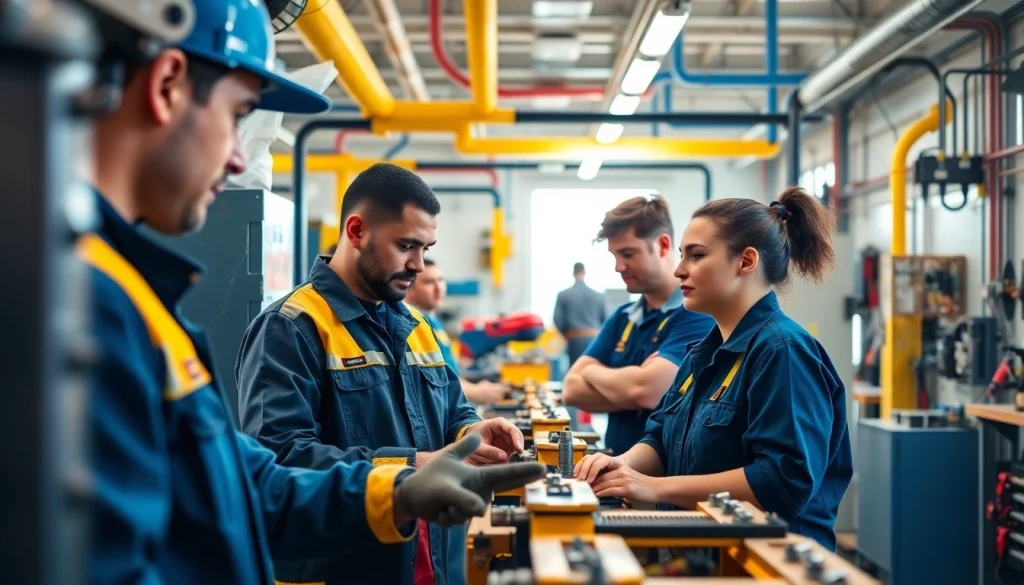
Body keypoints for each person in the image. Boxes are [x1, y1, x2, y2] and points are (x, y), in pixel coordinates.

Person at [81, 2, 545, 584]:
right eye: (239, 114)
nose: (238, 158)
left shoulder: (138, 298)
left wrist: (425, 469)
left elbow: (244, 481)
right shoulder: (86, 303)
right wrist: (409, 471)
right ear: (168, 83)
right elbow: (270, 462)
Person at [235, 163, 526, 585]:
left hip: (431, 565)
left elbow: (454, 412)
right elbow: (282, 460)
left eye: (425, 248)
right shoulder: (292, 327)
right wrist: (412, 469)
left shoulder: (418, 327)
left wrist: (474, 435)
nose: (419, 265)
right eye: (406, 245)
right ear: (356, 232)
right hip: (346, 568)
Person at [573, 188, 854, 551]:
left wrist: (654, 487)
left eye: (697, 255)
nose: (679, 269)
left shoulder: (783, 352)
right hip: (705, 555)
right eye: (681, 255)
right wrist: (618, 466)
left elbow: (781, 481)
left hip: (767, 565)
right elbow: (660, 438)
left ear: (746, 261)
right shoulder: (704, 352)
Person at [562, 196, 715, 456]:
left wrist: (594, 374)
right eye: (614, 255)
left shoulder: (698, 314)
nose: (618, 267)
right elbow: (571, 390)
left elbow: (647, 392)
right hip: (615, 471)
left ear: (663, 244)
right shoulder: (623, 317)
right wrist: (633, 385)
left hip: (664, 479)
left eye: (628, 254)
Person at [405, 258, 510, 405]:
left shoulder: (434, 323)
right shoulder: (411, 327)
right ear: (409, 290)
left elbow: (448, 372)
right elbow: (429, 381)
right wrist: (475, 391)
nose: (438, 288)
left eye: (441, 280)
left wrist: (476, 386)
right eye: (429, 282)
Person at [553, 262, 607, 365]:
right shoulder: (598, 296)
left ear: (573, 273)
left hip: (574, 339)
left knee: (575, 371)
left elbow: (557, 319)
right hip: (594, 339)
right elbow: (606, 319)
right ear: (584, 273)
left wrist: (566, 334)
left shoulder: (563, 295)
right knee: (593, 370)